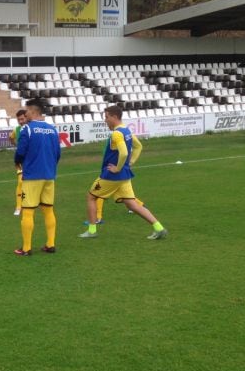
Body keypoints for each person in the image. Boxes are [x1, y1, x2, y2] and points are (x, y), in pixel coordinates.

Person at [79, 105, 167, 240]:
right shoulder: (126, 131)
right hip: (124, 176)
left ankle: (91, 230)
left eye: (107, 117)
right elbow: (139, 146)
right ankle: (159, 228)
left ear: (114, 117)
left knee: (91, 197)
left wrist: (118, 168)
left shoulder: (116, 133)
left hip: (112, 175)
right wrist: (130, 163)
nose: (105, 120)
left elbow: (124, 152)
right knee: (132, 204)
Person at [13, 99, 60, 256]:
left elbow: (21, 150)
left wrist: (17, 162)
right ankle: (50, 244)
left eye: (26, 111)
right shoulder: (52, 129)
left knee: (28, 211)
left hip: (33, 175)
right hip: (49, 175)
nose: (25, 113)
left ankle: (26, 248)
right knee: (48, 210)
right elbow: (57, 153)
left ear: (33, 112)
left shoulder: (27, 129)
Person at [9, 108, 27, 216]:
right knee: (20, 182)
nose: (21, 121)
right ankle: (18, 207)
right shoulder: (17, 130)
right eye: (19, 119)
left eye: (22, 119)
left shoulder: (31, 128)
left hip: (32, 160)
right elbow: (11, 137)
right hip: (21, 160)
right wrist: (16, 145)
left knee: (32, 182)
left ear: (26, 118)